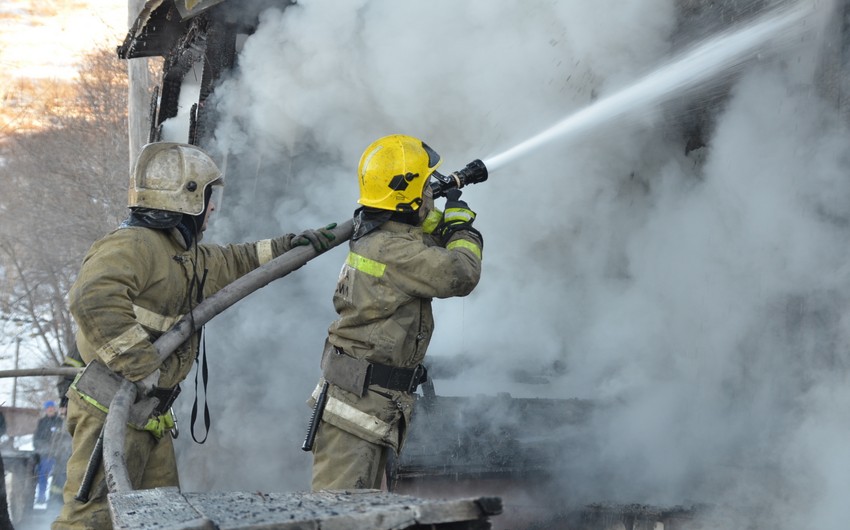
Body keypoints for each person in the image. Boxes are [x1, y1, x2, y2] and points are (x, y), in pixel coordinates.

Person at [53, 142, 336, 530]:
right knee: (92, 521)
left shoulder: (185, 255)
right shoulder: (132, 245)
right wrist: (140, 362)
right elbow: (92, 296)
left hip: (149, 417)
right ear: (184, 201)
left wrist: (294, 246)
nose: (213, 207)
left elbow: (240, 260)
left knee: (163, 519)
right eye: (206, 197)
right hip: (111, 413)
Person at [308, 134, 483, 490]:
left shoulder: (379, 236)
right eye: (427, 189)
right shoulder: (393, 252)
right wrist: (462, 228)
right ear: (410, 195)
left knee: (360, 517)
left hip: (368, 405)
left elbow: (412, 242)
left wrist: (432, 222)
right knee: (340, 520)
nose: (432, 195)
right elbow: (462, 274)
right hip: (358, 410)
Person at [34, 400, 64, 504]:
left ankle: (55, 500)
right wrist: (41, 448)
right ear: (46, 410)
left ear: (54, 409)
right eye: (48, 408)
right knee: (42, 475)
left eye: (52, 407)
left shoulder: (60, 421)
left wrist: (58, 449)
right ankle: (41, 497)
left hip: (58, 455)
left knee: (58, 477)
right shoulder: (41, 422)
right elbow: (36, 438)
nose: (50, 409)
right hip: (45, 454)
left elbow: (64, 438)